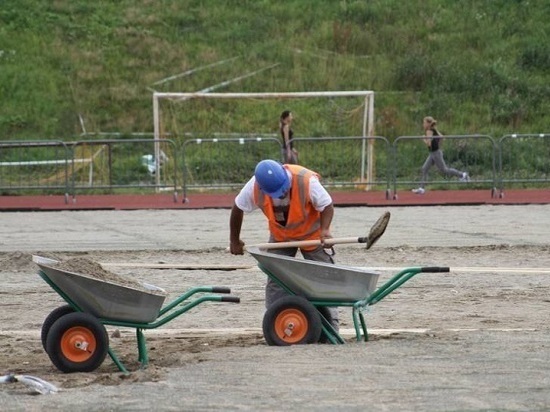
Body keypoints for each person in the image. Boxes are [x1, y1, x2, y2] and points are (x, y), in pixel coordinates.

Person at [229, 159, 338, 330]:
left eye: (283, 190)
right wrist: (234, 240)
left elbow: (327, 205)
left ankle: (331, 327)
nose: (281, 194)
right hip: (282, 235)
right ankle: (276, 324)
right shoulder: (254, 186)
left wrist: (325, 230)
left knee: (324, 276)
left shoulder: (306, 181)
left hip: (312, 234)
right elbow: (237, 208)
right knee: (276, 278)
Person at [412, 116, 470, 194]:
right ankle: (421, 188)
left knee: (445, 170)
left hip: (435, 153)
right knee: (424, 168)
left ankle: (463, 175)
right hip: (434, 153)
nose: (423, 124)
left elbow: (428, 144)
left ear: (428, 124)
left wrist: (423, 139)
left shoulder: (429, 131)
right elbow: (442, 137)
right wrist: (437, 145)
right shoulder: (434, 130)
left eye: (424, 123)